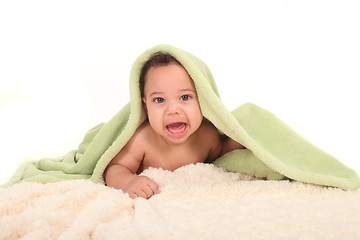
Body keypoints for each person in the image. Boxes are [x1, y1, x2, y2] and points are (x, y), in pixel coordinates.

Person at [105, 52, 244, 199]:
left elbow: (221, 153)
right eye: (159, 100)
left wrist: (242, 139)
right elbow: (115, 168)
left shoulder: (207, 135)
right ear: (146, 107)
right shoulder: (141, 140)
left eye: (185, 97)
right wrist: (128, 181)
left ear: (203, 100)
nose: (172, 110)